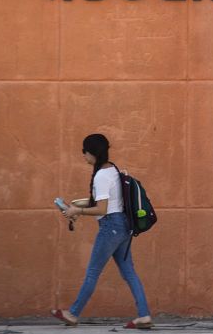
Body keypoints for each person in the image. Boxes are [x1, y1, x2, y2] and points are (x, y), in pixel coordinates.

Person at [52, 133, 153, 329]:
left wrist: (78, 211)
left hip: (111, 228)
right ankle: (144, 315)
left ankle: (73, 314)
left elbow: (102, 209)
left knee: (92, 272)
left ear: (92, 152)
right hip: (123, 226)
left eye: (84, 151)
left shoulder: (100, 176)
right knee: (129, 273)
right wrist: (73, 208)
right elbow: (103, 203)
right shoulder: (112, 169)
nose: (83, 155)